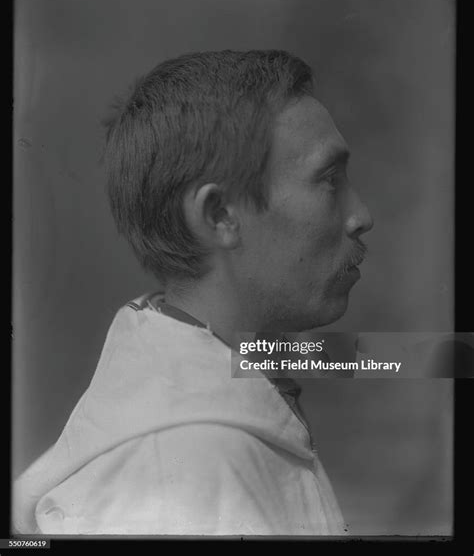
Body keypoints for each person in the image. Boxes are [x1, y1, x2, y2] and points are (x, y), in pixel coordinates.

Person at [13, 50, 373, 536]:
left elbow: (412, 357)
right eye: (330, 180)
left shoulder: (220, 378)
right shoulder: (189, 472)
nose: (361, 215)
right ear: (220, 215)